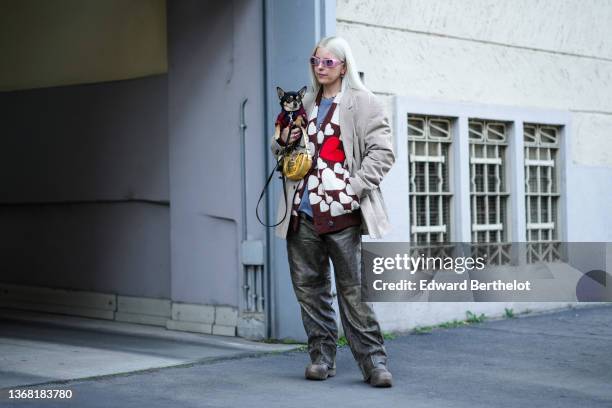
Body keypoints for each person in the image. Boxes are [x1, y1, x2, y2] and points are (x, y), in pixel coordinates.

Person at [270, 36, 395, 387]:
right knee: (309, 289)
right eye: (316, 61)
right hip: (302, 211)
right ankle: (321, 358)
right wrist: (283, 141)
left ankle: (374, 363)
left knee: (353, 291)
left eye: (328, 62)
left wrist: (352, 189)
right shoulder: (304, 103)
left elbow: (383, 153)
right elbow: (277, 147)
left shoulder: (364, 102)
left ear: (343, 65)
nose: (320, 68)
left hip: (342, 212)